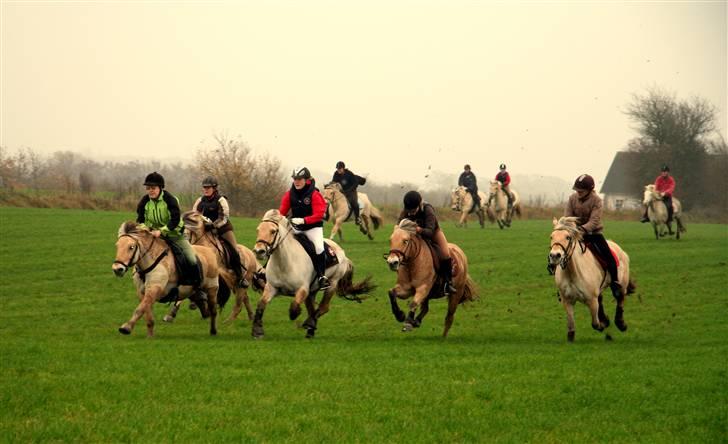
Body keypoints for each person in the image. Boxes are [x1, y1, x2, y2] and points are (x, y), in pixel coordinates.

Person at [136, 172, 207, 307]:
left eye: (153, 188)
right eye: (148, 188)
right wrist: (146, 228)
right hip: (154, 235)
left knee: (191, 258)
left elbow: (175, 220)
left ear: (160, 188)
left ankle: (198, 289)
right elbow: (139, 220)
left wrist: (161, 231)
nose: (150, 190)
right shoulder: (144, 201)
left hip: (174, 234)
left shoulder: (170, 199)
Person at [565, 174, 621, 299]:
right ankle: (563, 286)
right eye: (576, 190)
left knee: (609, 257)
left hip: (594, 234)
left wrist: (582, 229)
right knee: (562, 254)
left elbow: (594, 221)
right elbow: (568, 217)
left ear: (589, 190)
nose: (578, 192)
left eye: (581, 191)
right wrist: (570, 229)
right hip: (575, 235)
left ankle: (615, 283)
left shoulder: (597, 200)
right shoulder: (572, 199)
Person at [192, 176, 248, 288]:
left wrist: (213, 225)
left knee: (234, 249)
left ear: (214, 188)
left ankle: (240, 276)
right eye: (204, 187)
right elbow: (194, 215)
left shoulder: (221, 200)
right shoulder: (199, 201)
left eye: (208, 187)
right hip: (205, 230)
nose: (206, 189)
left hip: (223, 229)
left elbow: (224, 217)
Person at [279, 166, 330, 290]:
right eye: (295, 179)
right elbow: (282, 212)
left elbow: (319, 215)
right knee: (278, 241)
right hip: (296, 227)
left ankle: (321, 276)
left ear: (307, 180)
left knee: (318, 247)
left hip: (313, 228)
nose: (296, 181)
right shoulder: (289, 194)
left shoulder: (315, 194)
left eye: (299, 179)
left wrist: (304, 220)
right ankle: (267, 270)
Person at [398, 190, 456, 295]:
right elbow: (398, 225)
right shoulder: (406, 210)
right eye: (408, 210)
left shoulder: (428, 210)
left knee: (445, 254)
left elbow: (430, 231)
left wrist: (419, 230)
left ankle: (448, 283)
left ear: (419, 205)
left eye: (413, 210)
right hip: (414, 235)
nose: (410, 213)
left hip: (433, 232)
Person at [331, 161, 366, 225]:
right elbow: (334, 182)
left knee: (354, 203)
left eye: (339, 168)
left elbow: (355, 183)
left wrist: (349, 191)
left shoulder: (349, 174)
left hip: (352, 191)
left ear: (343, 168)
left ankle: (357, 218)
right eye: (337, 168)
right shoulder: (336, 173)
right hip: (342, 191)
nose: (338, 170)